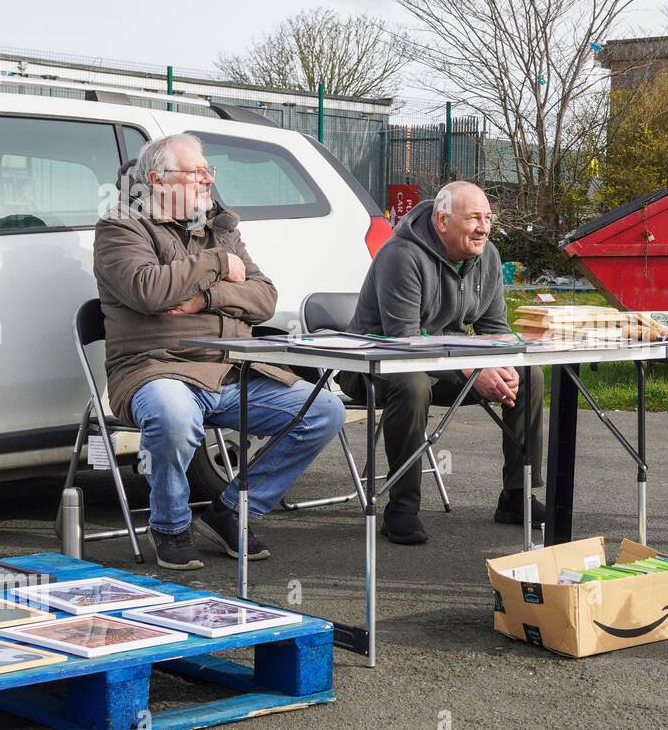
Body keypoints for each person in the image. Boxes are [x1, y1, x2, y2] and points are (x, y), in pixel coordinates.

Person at [94, 133, 346, 570]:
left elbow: (264, 297)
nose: (208, 180)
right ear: (158, 179)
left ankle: (231, 511)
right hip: (156, 368)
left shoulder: (221, 227)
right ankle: (170, 526)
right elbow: (149, 290)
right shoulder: (121, 225)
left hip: (231, 369)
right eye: (197, 173)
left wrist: (203, 299)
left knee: (324, 410)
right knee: (173, 415)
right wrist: (217, 267)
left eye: (209, 171)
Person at [340, 181, 544, 545]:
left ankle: (516, 495)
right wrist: (471, 371)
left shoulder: (489, 256)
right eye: (473, 219)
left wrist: (503, 365)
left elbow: (494, 328)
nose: (483, 227)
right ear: (443, 220)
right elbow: (404, 340)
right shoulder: (401, 255)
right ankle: (402, 508)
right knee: (413, 383)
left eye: (487, 218)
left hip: (446, 364)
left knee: (528, 375)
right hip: (377, 366)